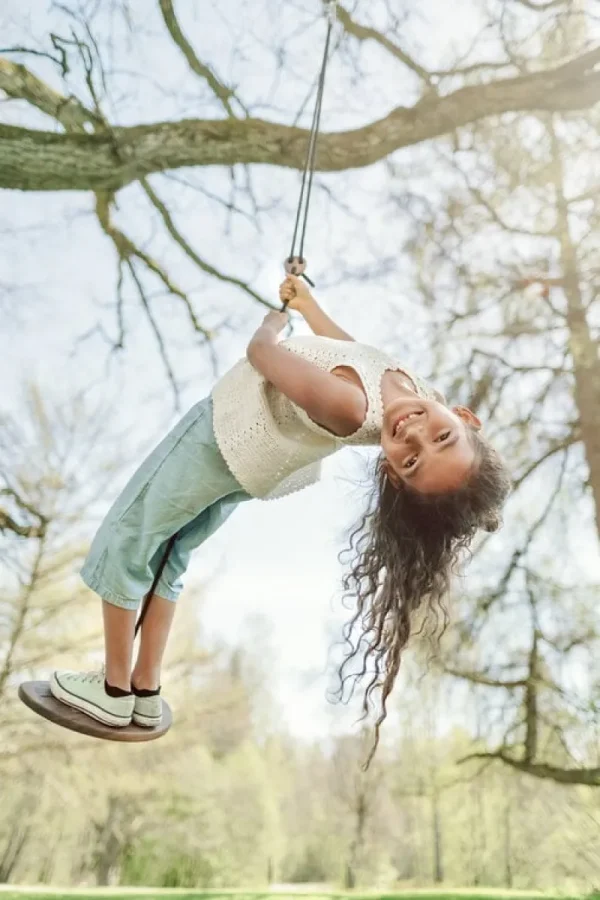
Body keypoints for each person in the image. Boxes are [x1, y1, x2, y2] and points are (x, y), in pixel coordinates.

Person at [50, 276, 511, 743]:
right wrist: (308, 305)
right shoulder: (415, 389)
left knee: (130, 533)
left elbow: (262, 356)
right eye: (443, 437)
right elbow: (357, 353)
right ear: (464, 417)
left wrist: (274, 322)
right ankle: (145, 689)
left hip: (217, 434)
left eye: (412, 461)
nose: (415, 436)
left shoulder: (351, 407)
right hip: (247, 460)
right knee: (171, 550)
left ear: (393, 473)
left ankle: (111, 689)